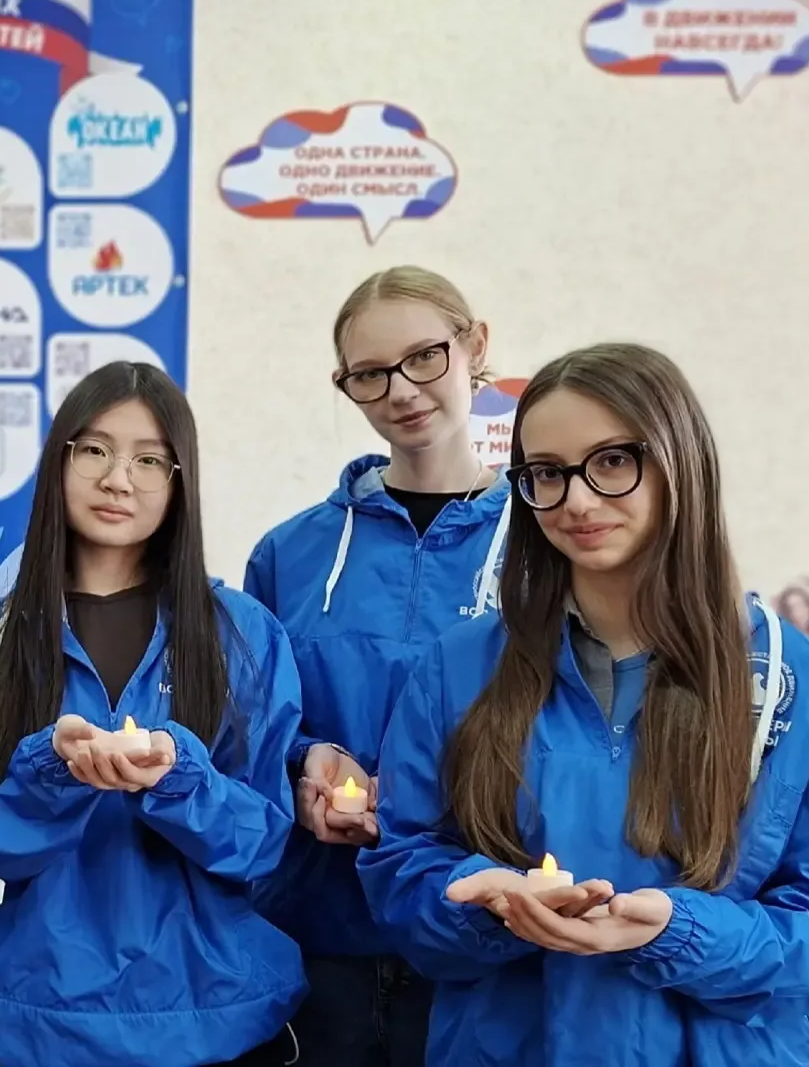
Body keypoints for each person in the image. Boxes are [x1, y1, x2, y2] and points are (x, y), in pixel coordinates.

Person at [356, 342, 809, 1066]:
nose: (577, 500)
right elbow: (401, 866)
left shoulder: (800, 682)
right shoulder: (458, 667)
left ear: (680, 461)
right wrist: (481, 900)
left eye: (614, 461)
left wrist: (682, 932)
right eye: (546, 473)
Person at [0, 361, 306, 1067]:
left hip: (216, 1016)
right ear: (59, 462)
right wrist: (52, 770)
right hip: (37, 1020)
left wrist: (177, 779)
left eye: (149, 459)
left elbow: (264, 841)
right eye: (95, 450)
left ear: (179, 481)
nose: (119, 479)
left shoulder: (240, 632)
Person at [241, 266, 509, 1066]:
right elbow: (252, 722)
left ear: (475, 347)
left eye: (425, 356)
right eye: (370, 373)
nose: (402, 390)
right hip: (317, 940)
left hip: (479, 940)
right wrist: (305, 764)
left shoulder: (545, 551)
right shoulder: (289, 553)